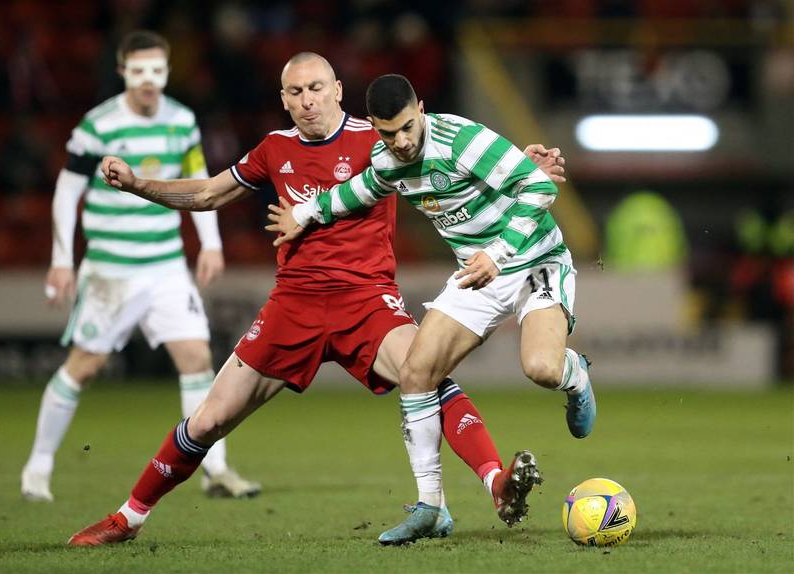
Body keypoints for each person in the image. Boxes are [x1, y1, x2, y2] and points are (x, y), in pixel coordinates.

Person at [66, 52, 567, 546]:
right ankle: (127, 518)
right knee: (210, 418)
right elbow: (208, 195)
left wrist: (519, 162)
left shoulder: (384, 137)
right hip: (294, 304)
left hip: (367, 300)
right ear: (284, 100)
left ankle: (496, 483)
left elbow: (451, 154)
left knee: (426, 375)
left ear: (338, 91)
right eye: (296, 92)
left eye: (316, 89)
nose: (307, 101)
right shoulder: (273, 149)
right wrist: (137, 185)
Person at [268, 73, 597, 537]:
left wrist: (497, 253)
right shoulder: (387, 160)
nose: (400, 141)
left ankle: (575, 374)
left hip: (532, 259)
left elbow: (540, 190)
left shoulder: (461, 140)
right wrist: (304, 213)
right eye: (387, 132)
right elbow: (356, 192)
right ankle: (430, 507)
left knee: (540, 368)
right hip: (476, 275)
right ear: (373, 127)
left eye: (406, 127)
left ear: (420, 109)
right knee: (416, 372)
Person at [21, 30, 259, 503]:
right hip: (112, 269)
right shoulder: (98, 124)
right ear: (123, 71)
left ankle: (216, 469)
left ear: (167, 72)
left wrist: (209, 244)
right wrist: (62, 259)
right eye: (139, 71)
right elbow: (68, 191)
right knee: (84, 367)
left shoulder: (182, 121)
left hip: (166, 266)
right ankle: (37, 466)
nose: (149, 81)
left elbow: (199, 184)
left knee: (196, 360)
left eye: (157, 71)